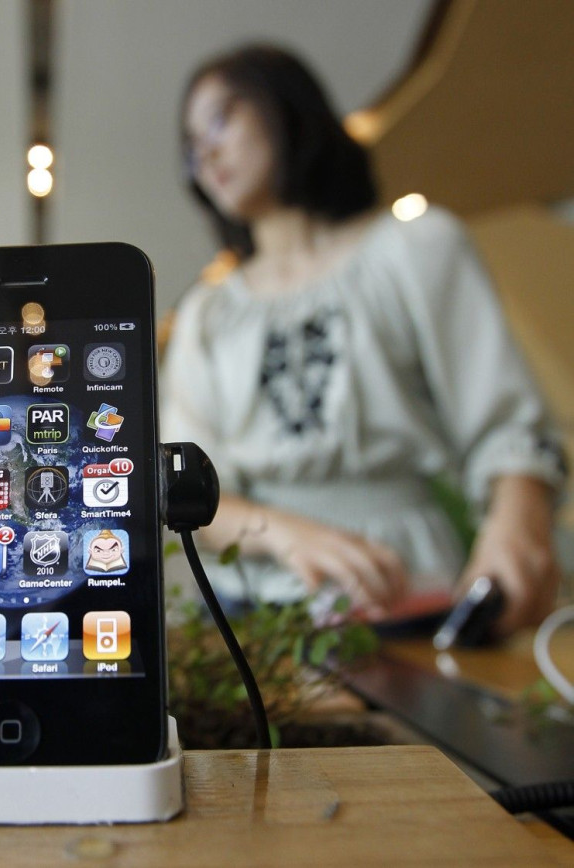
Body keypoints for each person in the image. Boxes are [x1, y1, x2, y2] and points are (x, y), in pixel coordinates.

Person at [160, 43, 567, 636]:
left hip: (414, 595)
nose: (207, 152)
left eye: (221, 119)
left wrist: (517, 523)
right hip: (252, 619)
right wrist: (289, 533)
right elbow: (188, 496)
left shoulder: (416, 249)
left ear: (287, 108)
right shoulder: (207, 312)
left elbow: (509, 428)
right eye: (192, 147)